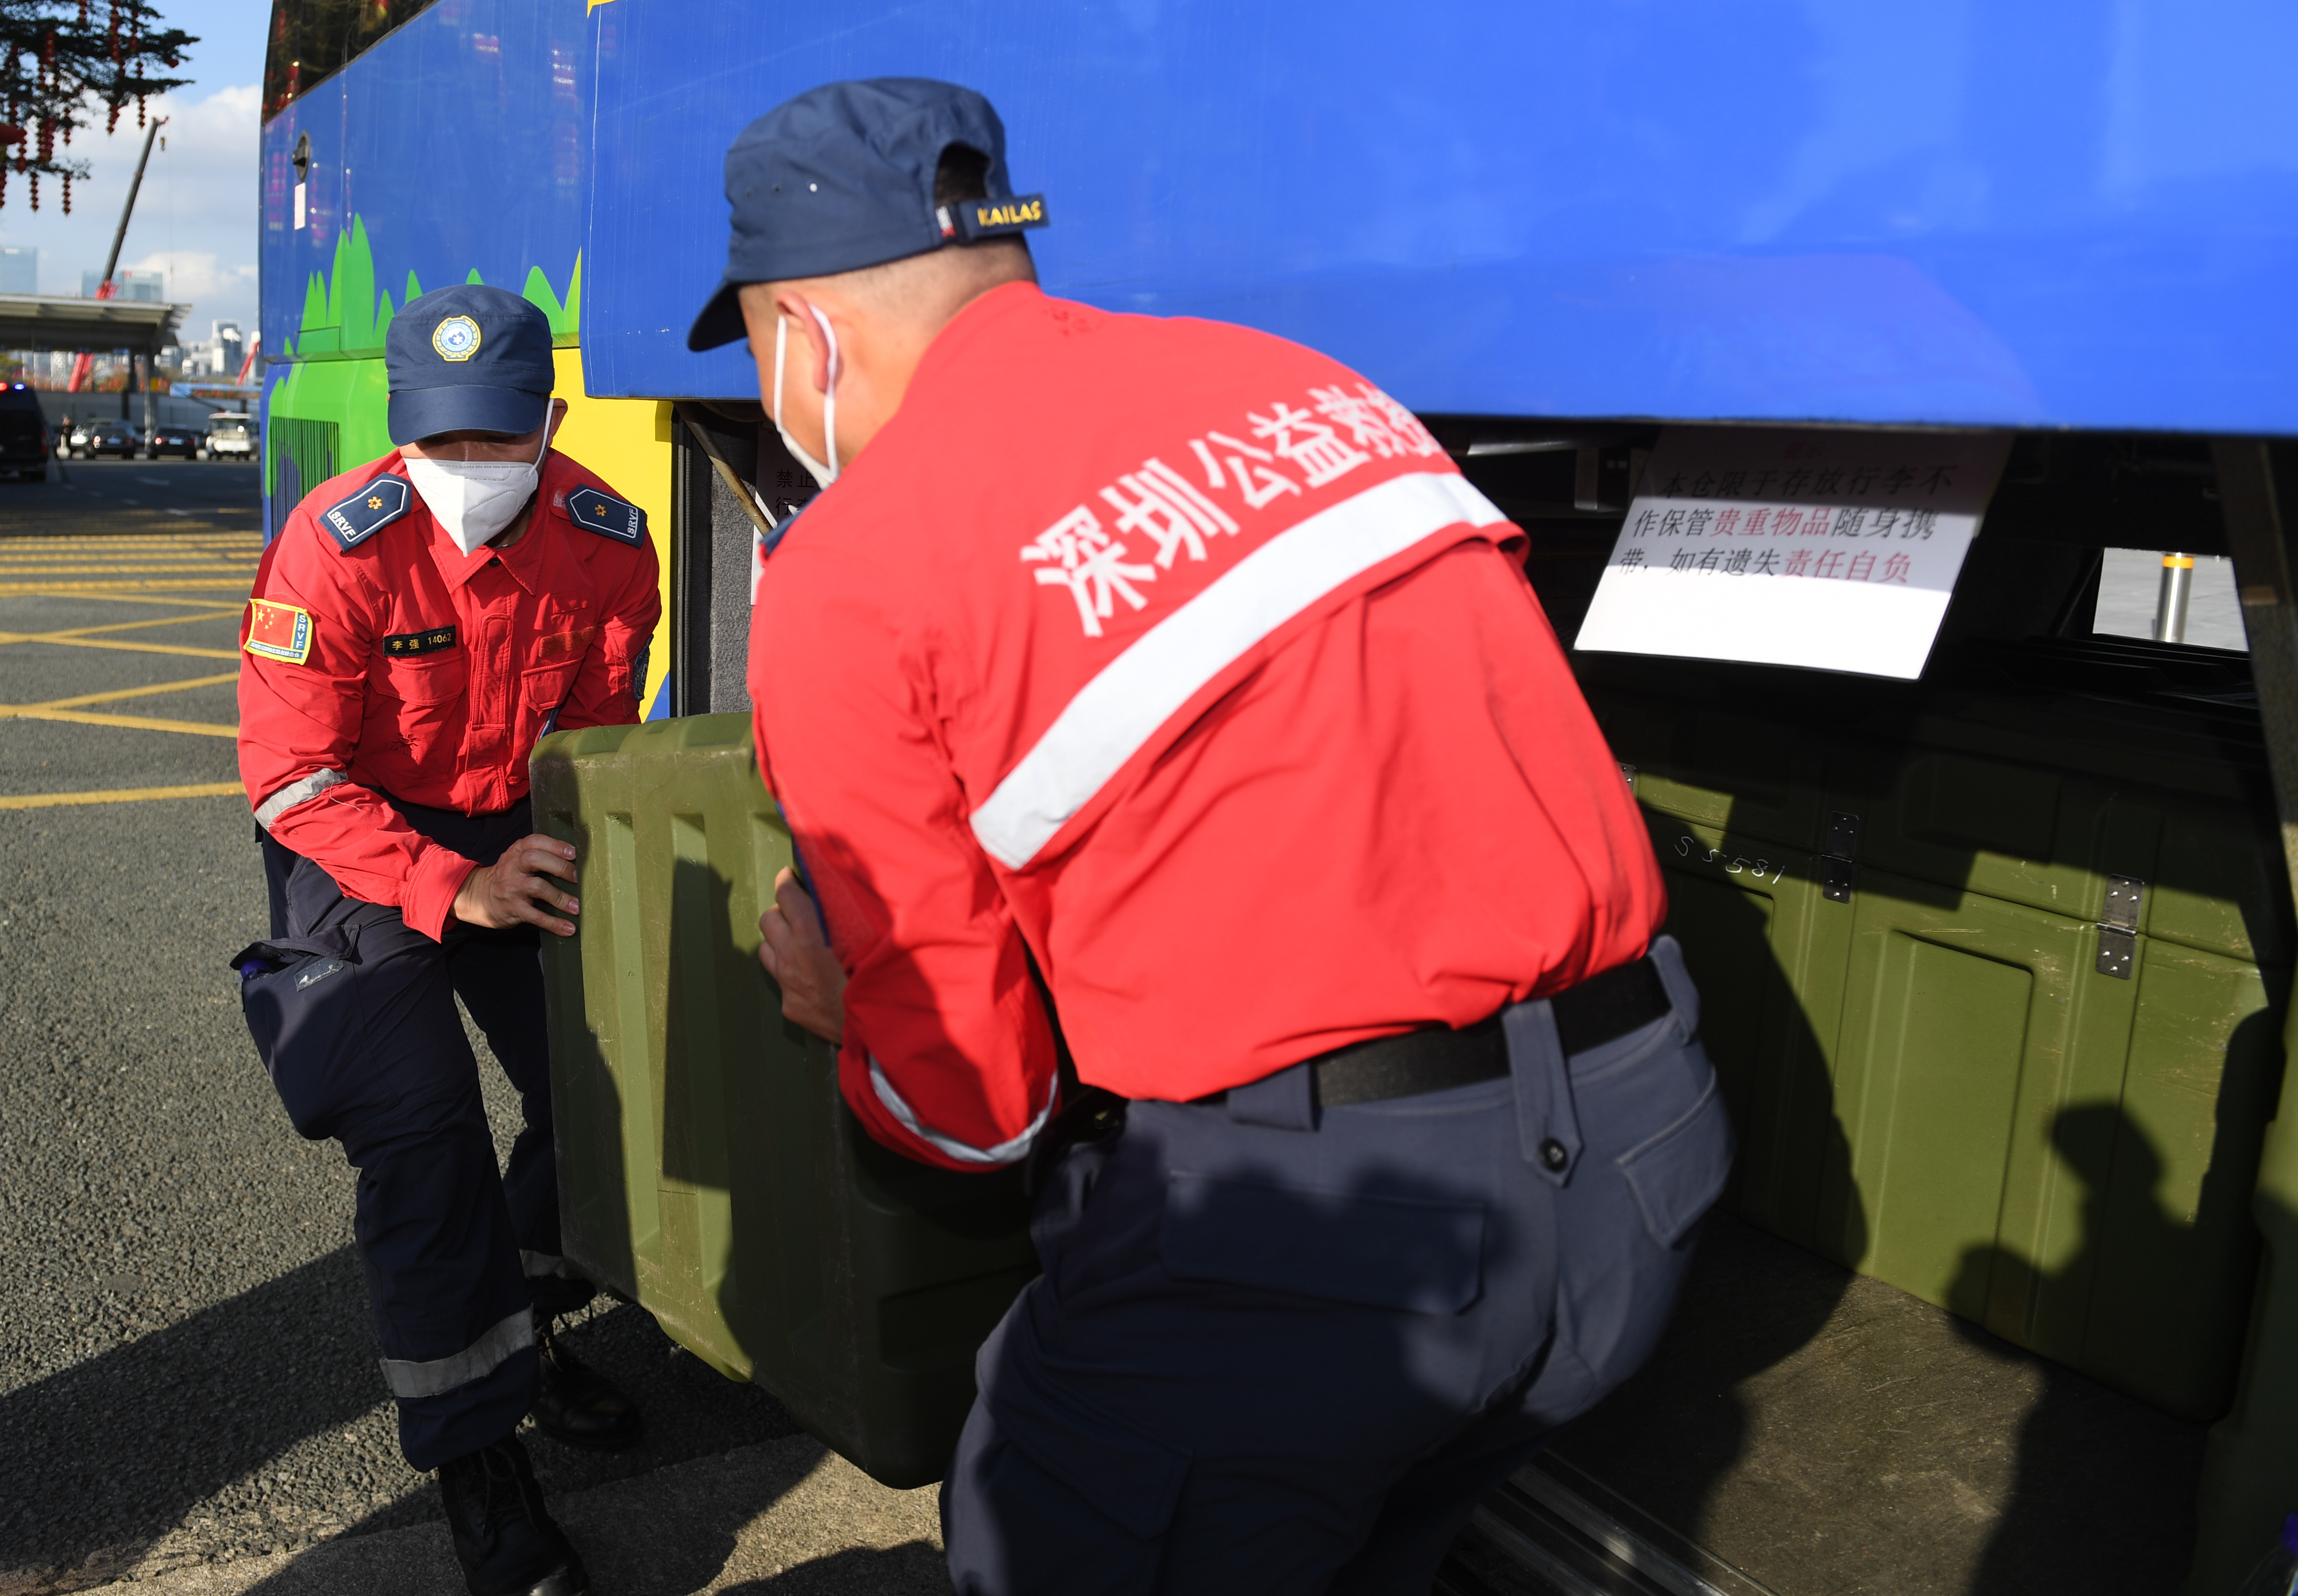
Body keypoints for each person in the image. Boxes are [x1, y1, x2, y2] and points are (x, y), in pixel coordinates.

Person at [695, 79, 1734, 1595]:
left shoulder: (860, 566)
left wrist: (846, 1006)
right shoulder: (1308, 390)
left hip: (1320, 1251)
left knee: (1045, 1514)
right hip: (1647, 1158)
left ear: (807, 332)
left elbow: (974, 1109)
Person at [232, 284, 658, 1596]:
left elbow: (588, 743)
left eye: (500, 438)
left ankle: (518, 1322)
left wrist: (537, 860)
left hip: (509, 822)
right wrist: (443, 886)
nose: (470, 469)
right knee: (422, 1130)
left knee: (603, 1087)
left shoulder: (608, 540)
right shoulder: (335, 543)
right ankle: (480, 1461)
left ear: (552, 419)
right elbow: (290, 778)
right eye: (442, 442)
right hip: (354, 839)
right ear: (402, 430)